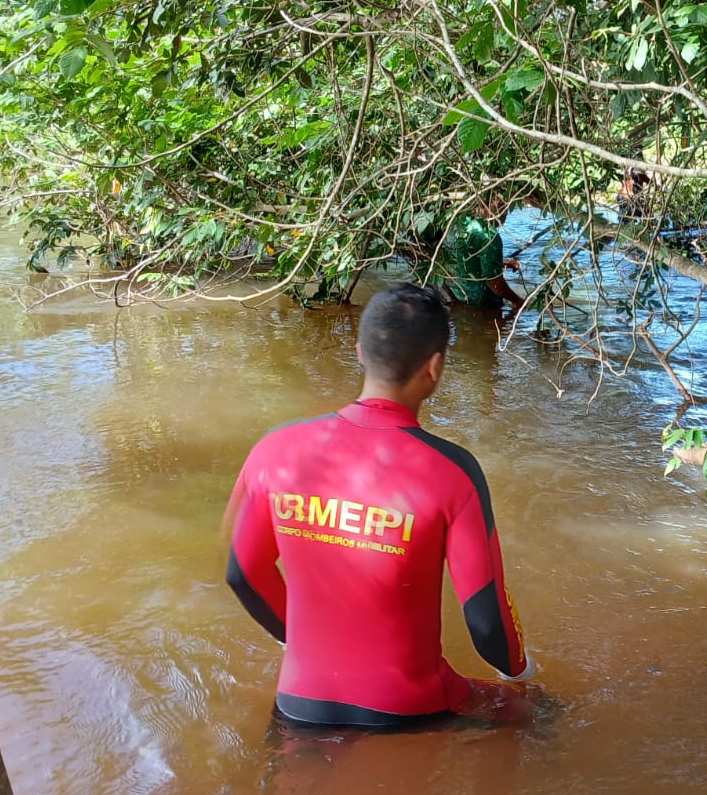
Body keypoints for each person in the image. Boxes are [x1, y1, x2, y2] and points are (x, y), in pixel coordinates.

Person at [225, 283, 536, 728]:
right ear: (435, 367)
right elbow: (488, 625)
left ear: (359, 352)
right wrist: (522, 675)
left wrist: (303, 646)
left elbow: (243, 574)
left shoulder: (275, 450)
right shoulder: (453, 471)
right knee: (539, 716)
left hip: (298, 706)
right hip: (411, 709)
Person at [438, 206, 525, 312]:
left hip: (454, 296)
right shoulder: (489, 235)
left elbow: (462, 258)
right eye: (503, 206)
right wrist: (517, 301)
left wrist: (499, 263)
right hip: (481, 303)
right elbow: (494, 281)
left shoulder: (456, 221)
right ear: (485, 206)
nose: (506, 211)